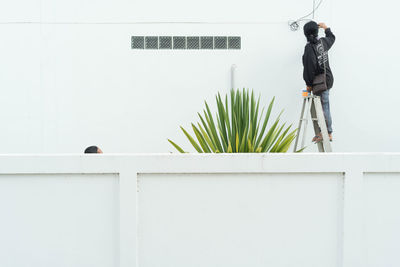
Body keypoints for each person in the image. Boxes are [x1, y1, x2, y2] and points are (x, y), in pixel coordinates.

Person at [302, 21, 336, 142]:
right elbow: (332, 38)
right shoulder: (322, 42)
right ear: (316, 32)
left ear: (305, 34)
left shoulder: (309, 48)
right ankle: (324, 132)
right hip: (327, 78)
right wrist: (326, 27)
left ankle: (327, 132)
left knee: (324, 107)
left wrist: (308, 84)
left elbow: (309, 68)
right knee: (324, 105)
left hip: (319, 82)